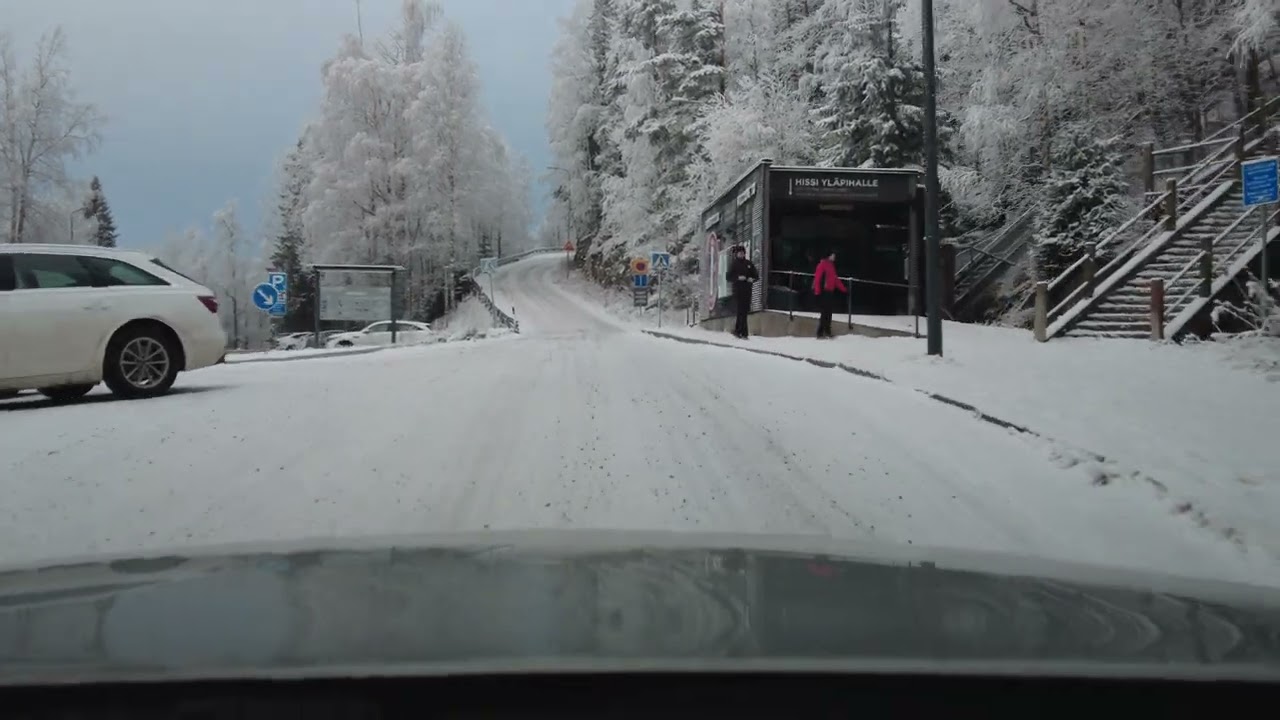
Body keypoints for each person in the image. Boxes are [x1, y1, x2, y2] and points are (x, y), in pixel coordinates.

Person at [725, 245, 759, 338]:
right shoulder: (734, 264)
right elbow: (728, 277)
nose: (741, 254)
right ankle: (741, 331)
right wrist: (738, 278)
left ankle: (740, 330)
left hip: (747, 290)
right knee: (740, 310)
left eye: (743, 253)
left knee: (744, 311)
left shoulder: (749, 264)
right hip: (738, 290)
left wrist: (751, 279)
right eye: (740, 253)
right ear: (737, 254)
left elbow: (756, 276)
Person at [813, 250, 848, 339]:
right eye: (833, 255)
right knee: (825, 312)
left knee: (828, 312)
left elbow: (835, 279)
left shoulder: (831, 265)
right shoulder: (822, 265)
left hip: (829, 292)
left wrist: (843, 289)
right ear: (829, 256)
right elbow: (817, 279)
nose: (834, 257)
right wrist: (817, 292)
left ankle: (823, 332)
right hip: (824, 292)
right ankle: (823, 332)